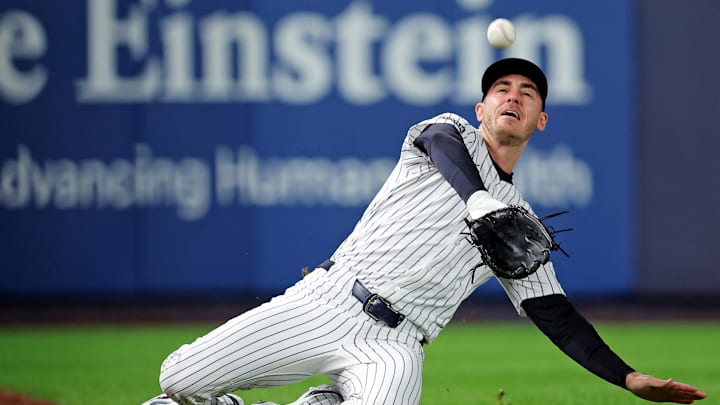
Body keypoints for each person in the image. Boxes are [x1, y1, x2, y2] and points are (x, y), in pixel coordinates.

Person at [142, 58, 707, 405]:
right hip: (328, 300)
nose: (513, 95)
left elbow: (555, 314)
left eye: (527, 93)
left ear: (541, 121)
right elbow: (444, 146)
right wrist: (479, 198)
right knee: (179, 377)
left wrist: (627, 377)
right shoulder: (446, 135)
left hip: (396, 345)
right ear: (481, 108)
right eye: (501, 88)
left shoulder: (520, 224)